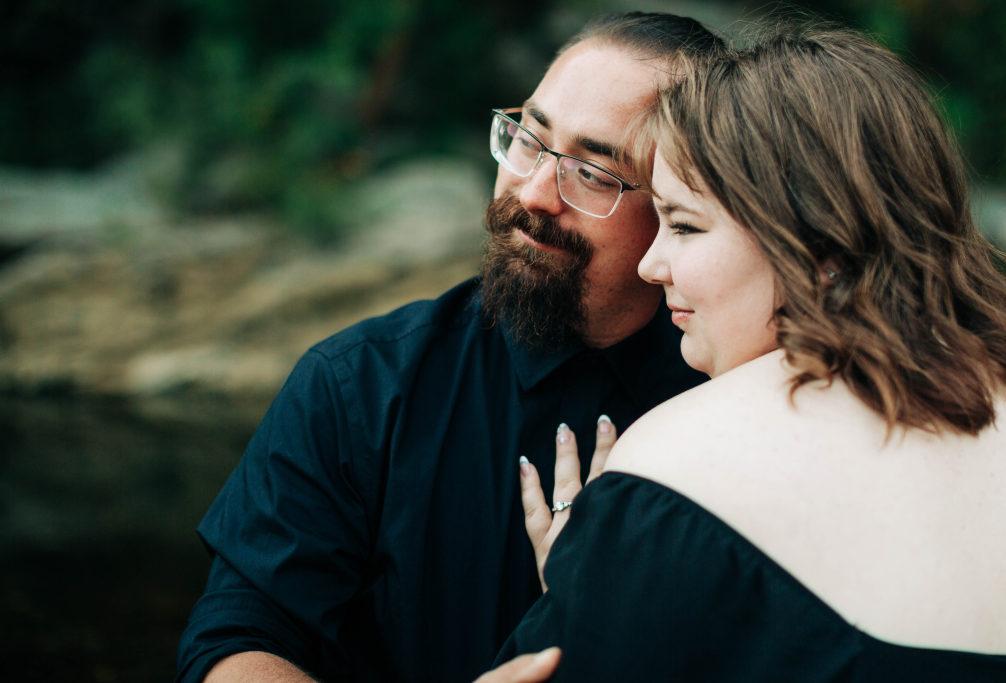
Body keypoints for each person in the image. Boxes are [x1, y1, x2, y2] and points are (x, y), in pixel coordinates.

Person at [175, 12, 719, 683]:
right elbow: (238, 638)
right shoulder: (357, 386)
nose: (533, 191)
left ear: (680, 201)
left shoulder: (742, 402)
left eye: (592, 171)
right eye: (529, 139)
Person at [496, 21, 1006, 681]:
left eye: (684, 224)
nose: (654, 263)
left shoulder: (676, 467)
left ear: (820, 246)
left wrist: (594, 591)